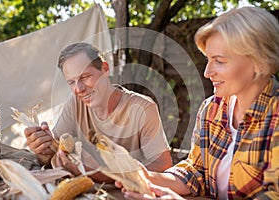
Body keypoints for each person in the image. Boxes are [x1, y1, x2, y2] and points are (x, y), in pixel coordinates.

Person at [117, 6, 279, 199]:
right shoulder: (211, 108)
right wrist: (149, 178)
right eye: (208, 60)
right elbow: (196, 171)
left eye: (219, 61)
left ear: (258, 62)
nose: (207, 72)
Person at [24, 42, 172, 183]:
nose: (79, 89)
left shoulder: (143, 108)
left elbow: (163, 166)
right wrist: (43, 149)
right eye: (71, 82)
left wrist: (100, 175)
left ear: (105, 69)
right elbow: (53, 155)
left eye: (85, 77)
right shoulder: (75, 103)